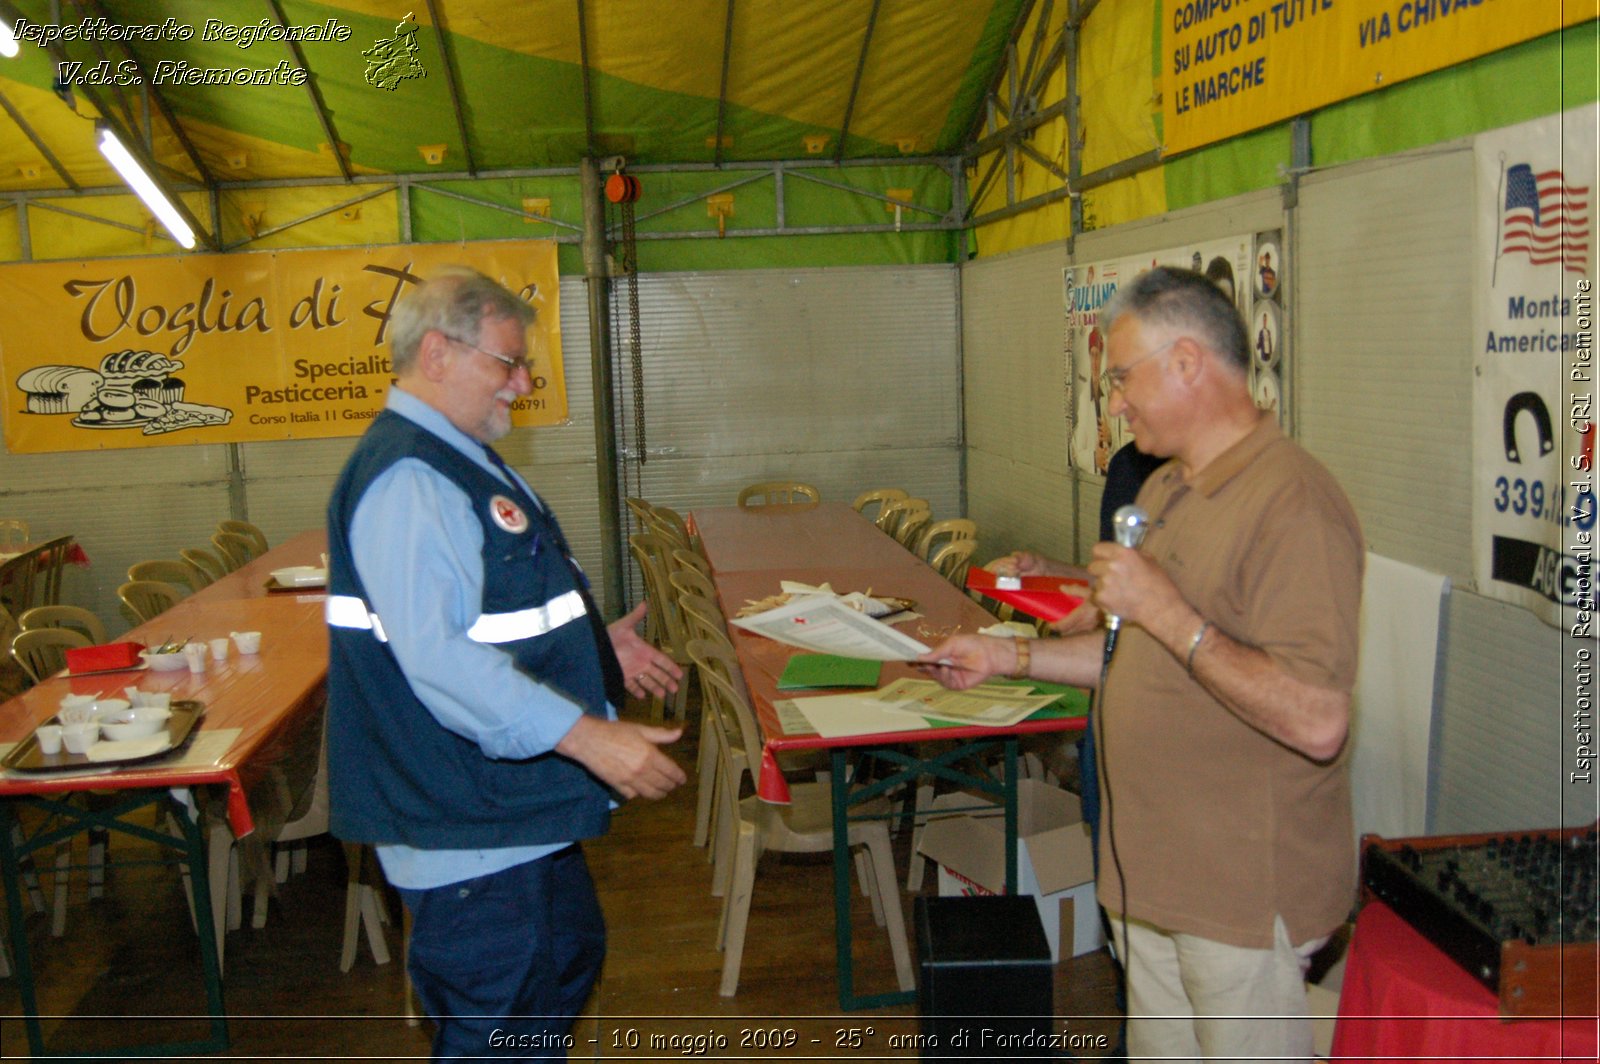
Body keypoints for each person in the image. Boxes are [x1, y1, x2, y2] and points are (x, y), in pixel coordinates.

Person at [921, 266, 1362, 1061]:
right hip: (1150, 888)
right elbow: (1130, 655)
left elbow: (1318, 719)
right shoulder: (1165, 491)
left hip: (1238, 903)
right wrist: (1007, 653)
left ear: (1188, 362)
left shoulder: (1293, 502)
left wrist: (1167, 610)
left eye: (1124, 378)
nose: (1115, 399)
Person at [325, 267, 687, 1060]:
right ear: (438, 354)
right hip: (466, 826)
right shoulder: (413, 477)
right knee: (501, 1029)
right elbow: (440, 658)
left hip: (504, 817)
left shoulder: (459, 457)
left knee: (551, 986)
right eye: (507, 363)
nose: (522, 385)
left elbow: (498, 612)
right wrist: (588, 735)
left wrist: (599, 649)